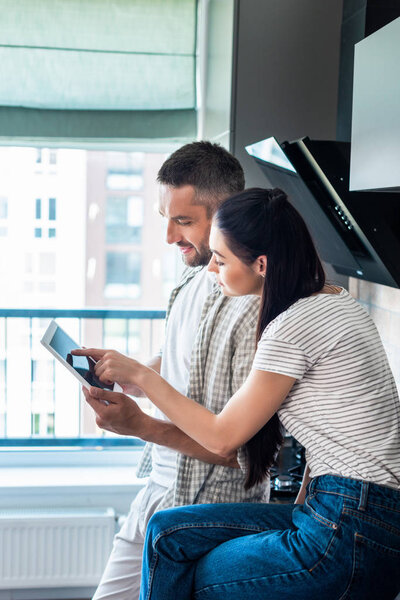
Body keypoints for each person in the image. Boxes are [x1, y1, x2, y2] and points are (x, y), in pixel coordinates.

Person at [84, 187, 400, 599]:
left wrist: (143, 378)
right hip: (351, 515)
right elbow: (335, 434)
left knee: (188, 568)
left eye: (221, 259)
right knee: (166, 533)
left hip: (349, 529)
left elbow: (222, 436)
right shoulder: (334, 301)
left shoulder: (292, 325)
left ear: (262, 264)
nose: (211, 269)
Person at [75, 144, 271, 600]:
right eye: (165, 217)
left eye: (183, 221)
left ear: (226, 214)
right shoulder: (190, 277)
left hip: (205, 512)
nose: (168, 237)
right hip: (158, 488)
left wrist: (141, 424)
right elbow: (176, 362)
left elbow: (233, 452)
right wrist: (129, 373)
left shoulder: (253, 307)